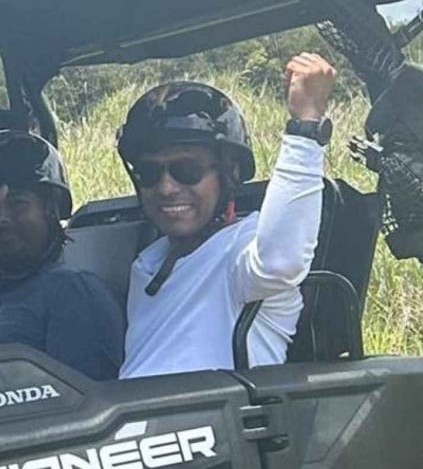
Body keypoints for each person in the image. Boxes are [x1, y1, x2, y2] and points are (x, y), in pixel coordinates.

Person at [116, 54, 336, 379]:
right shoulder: (148, 262)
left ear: (229, 173)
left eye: (186, 170)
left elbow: (281, 261)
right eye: (149, 173)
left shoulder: (243, 254)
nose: (166, 188)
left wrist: (305, 126)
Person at [0, 130, 125, 379]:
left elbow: (86, 404)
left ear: (49, 209)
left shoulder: (72, 292)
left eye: (17, 204)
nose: (1, 219)